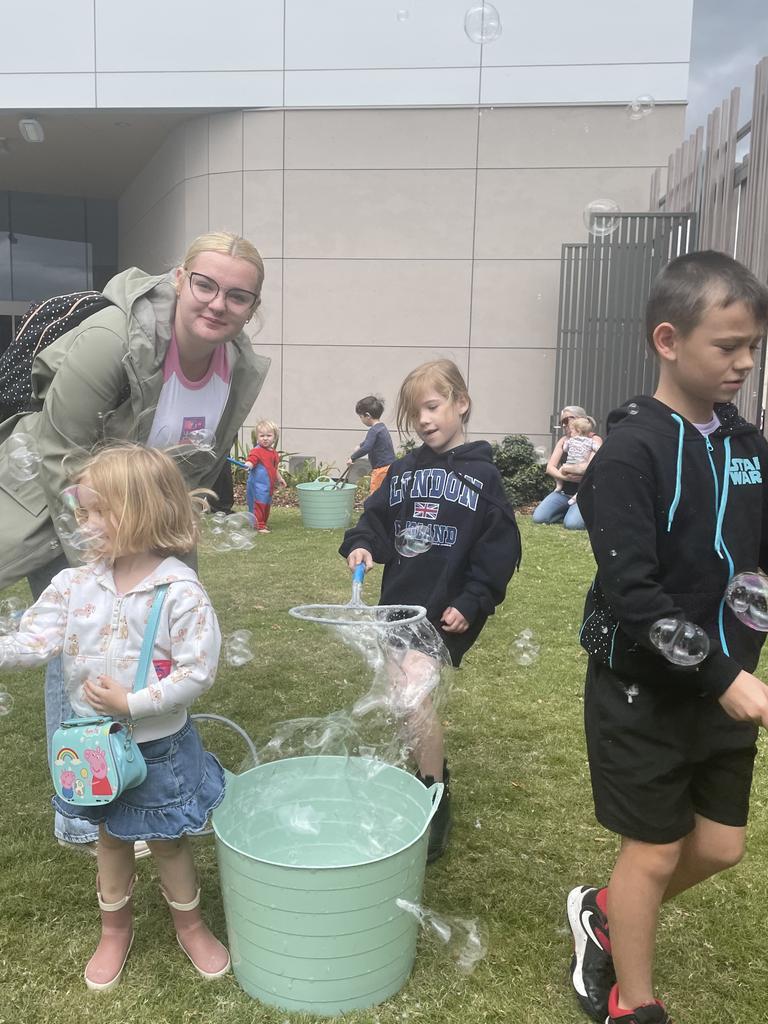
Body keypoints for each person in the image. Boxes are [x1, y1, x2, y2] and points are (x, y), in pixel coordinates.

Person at [0, 230, 270, 852]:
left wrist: (173, 562)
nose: (217, 304)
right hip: (70, 512)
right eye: (205, 284)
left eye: (237, 295)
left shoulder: (239, 364)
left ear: (252, 308)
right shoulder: (112, 341)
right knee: (82, 642)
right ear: (180, 278)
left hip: (148, 524)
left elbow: (195, 463)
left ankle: (151, 775)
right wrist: (101, 567)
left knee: (159, 638)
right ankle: (81, 806)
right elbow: (59, 452)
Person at [567, 251, 768, 1024]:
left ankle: (605, 911)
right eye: (727, 346)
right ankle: (632, 1001)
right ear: (667, 339)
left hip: (725, 688)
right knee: (651, 851)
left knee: (720, 848)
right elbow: (635, 598)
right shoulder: (627, 455)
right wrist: (722, 675)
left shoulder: (746, 446)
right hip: (642, 691)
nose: (744, 363)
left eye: (753, 347)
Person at [0, 445, 230, 991]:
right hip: (95, 748)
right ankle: (114, 931)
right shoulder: (72, 585)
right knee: (109, 838)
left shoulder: (179, 592)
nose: (84, 524)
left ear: (143, 510)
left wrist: (133, 703)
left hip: (158, 747)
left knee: (171, 840)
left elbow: (198, 672)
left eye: (97, 511)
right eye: (81, 511)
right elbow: (32, 641)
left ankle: (191, 925)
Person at [339, 359, 521, 861]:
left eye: (433, 406)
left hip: (445, 613)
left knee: (413, 696)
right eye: (414, 412)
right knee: (404, 700)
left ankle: (432, 797)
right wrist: (361, 545)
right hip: (398, 608)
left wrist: (473, 600)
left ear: (461, 402)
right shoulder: (401, 472)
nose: (423, 420)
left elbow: (499, 549)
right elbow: (373, 521)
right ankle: (429, 769)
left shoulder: (483, 476)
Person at [532, 405, 602, 530]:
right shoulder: (565, 440)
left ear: (580, 419)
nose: (563, 425)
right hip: (563, 492)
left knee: (572, 525)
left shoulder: (594, 439)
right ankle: (568, 511)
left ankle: (582, 512)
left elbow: (588, 469)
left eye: (566, 421)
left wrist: (568, 468)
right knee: (539, 518)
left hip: (583, 493)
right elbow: (550, 467)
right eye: (561, 422)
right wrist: (567, 477)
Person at [346, 395, 396, 494]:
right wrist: (360, 445)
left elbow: (367, 447)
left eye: (361, 417)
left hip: (381, 469)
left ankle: (376, 509)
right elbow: (369, 442)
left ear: (368, 415)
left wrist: (353, 457)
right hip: (389, 467)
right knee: (386, 493)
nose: (361, 420)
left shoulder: (373, 430)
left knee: (376, 494)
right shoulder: (381, 428)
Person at [244, 419, 286, 532]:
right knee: (259, 504)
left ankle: (262, 523)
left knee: (266, 504)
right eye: (262, 435)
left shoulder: (273, 453)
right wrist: (248, 465)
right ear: (257, 437)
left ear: (274, 437)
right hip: (257, 485)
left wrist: (279, 478)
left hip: (267, 486)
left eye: (269, 435)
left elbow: (273, 468)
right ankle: (258, 525)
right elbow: (251, 460)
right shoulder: (256, 451)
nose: (265, 438)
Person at [559, 416, 601, 505]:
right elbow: (598, 449)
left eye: (572, 430)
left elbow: (565, 449)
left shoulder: (570, 440)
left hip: (570, 465)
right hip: (581, 466)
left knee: (561, 470)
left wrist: (566, 444)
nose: (570, 431)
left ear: (578, 431)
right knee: (584, 480)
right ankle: (576, 496)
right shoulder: (590, 441)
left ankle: (558, 486)